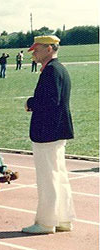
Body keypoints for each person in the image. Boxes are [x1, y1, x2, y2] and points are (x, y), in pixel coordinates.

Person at [22, 35, 75, 234]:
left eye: (37, 49)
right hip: (57, 130)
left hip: (48, 131)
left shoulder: (51, 71)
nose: (34, 53)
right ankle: (63, 218)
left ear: (50, 49)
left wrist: (30, 103)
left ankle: (45, 222)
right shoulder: (59, 69)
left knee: (47, 178)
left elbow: (49, 102)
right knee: (59, 175)